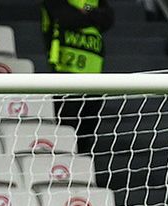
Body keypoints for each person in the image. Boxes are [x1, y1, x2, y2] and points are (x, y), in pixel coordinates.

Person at [42, 0, 114, 152]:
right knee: (66, 131)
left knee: (86, 135)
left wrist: (85, 9)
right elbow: (66, 17)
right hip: (65, 74)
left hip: (93, 77)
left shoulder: (94, 1)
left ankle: (82, 168)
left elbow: (107, 19)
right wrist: (91, 14)